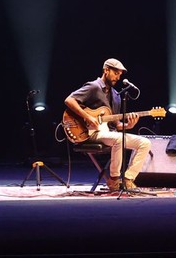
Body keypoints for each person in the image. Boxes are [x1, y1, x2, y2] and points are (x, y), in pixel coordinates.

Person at [64, 58, 152, 192]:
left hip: (107, 133)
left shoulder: (116, 96)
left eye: (120, 75)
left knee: (145, 143)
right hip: (88, 133)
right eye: (116, 73)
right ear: (106, 70)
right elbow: (69, 100)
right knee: (119, 139)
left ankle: (128, 179)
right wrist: (87, 117)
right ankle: (114, 180)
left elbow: (116, 124)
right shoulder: (93, 87)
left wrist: (128, 125)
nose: (118, 77)